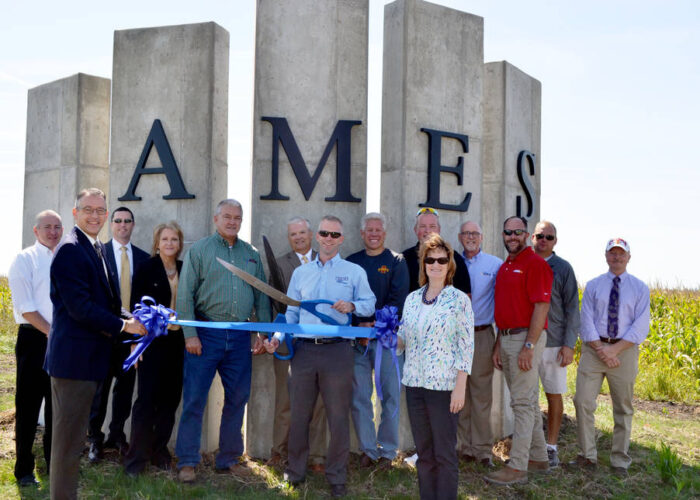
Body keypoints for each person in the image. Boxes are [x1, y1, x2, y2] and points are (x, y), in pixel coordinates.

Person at [44, 188, 146, 500]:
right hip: (73, 365)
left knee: (73, 443)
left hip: (89, 363)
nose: (95, 215)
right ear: (75, 213)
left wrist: (139, 320)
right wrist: (125, 325)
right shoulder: (71, 250)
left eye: (100, 210)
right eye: (88, 209)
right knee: (67, 446)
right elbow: (81, 309)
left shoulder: (96, 249)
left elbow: (110, 303)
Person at [264, 215, 375, 498]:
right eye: (324, 233)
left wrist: (352, 305)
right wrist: (277, 338)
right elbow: (290, 312)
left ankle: (337, 477)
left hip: (338, 350)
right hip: (304, 351)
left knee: (338, 417)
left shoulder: (354, 272)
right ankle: (295, 473)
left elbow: (369, 303)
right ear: (317, 236)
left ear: (341, 239)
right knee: (299, 415)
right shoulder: (301, 274)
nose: (328, 239)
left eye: (334, 235)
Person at [175, 199, 271, 483]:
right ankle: (188, 461)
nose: (232, 221)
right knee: (194, 399)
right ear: (216, 219)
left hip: (241, 336)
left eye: (237, 217)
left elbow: (262, 296)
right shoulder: (200, 250)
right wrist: (190, 334)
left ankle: (228, 459)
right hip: (205, 333)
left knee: (238, 398)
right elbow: (184, 295)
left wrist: (262, 333)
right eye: (227, 217)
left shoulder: (251, 254)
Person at [398, 233, 473, 500]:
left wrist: (460, 388)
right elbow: (403, 340)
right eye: (431, 259)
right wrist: (389, 337)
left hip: (444, 388)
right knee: (425, 453)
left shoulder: (459, 300)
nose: (436, 264)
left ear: (449, 264)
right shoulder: (411, 300)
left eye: (442, 259)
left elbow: (466, 346)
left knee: (444, 454)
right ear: (424, 263)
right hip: (415, 386)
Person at [571, 238, 649, 476]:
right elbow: (586, 320)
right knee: (582, 401)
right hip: (594, 351)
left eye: (621, 254)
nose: (616, 258)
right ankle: (587, 456)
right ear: (606, 256)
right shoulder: (594, 285)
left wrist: (614, 351)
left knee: (623, 408)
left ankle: (619, 461)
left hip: (623, 353)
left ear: (628, 257)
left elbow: (640, 326)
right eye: (612, 254)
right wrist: (601, 349)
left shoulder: (639, 288)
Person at [485, 216, 553, 486]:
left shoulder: (535, 264)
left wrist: (529, 346)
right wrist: (499, 344)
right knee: (527, 402)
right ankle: (538, 459)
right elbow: (505, 310)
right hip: (507, 338)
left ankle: (517, 467)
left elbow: (541, 307)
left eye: (517, 232)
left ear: (526, 235)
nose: (512, 236)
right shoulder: (506, 266)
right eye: (507, 232)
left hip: (527, 338)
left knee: (522, 404)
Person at [346, 212, 409, 468]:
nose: (373, 234)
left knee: (391, 397)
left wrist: (376, 325)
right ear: (362, 234)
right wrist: (358, 326)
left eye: (378, 230)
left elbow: (399, 299)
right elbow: (346, 299)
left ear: (384, 233)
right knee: (360, 397)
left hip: (388, 340)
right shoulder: (351, 262)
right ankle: (369, 450)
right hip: (357, 342)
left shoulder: (396, 261)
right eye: (369, 230)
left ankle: (388, 451)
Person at [88, 206, 149, 461]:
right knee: (99, 391)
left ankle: (117, 436)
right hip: (104, 334)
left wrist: (140, 336)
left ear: (133, 225)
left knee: (124, 390)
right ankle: (94, 439)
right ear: (111, 224)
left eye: (127, 221)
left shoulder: (144, 258)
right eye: (118, 221)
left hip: (131, 337)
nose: (123, 225)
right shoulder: (96, 254)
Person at [124, 221, 185, 475]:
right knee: (146, 401)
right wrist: (135, 345)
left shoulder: (185, 268)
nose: (170, 243)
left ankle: (159, 451)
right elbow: (136, 308)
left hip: (178, 343)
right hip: (152, 342)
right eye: (165, 239)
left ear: (180, 244)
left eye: (174, 239)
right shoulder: (146, 268)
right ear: (157, 243)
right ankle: (136, 459)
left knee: (170, 401)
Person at [8, 210, 63, 487]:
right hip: (34, 340)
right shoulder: (24, 259)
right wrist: (54, 334)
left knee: (57, 407)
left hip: (63, 342)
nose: (53, 232)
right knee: (29, 407)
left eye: (57, 227)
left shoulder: (66, 257)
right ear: (36, 230)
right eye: (47, 227)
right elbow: (25, 307)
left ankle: (54, 467)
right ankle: (24, 470)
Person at [268, 216, 327, 472]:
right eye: (293, 235)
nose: (298, 238)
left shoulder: (328, 261)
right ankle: (279, 453)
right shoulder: (280, 264)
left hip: (321, 343)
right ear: (289, 238)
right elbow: (273, 305)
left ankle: (316, 457)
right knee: (285, 401)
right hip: (286, 341)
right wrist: (275, 335)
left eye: (302, 233)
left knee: (319, 402)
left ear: (311, 234)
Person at [531, 220, 580, 467]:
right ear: (532, 237)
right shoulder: (524, 262)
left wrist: (569, 344)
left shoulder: (564, 269)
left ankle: (551, 447)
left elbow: (573, 307)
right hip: (526, 341)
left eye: (549, 237)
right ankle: (531, 446)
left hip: (554, 343)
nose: (544, 240)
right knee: (526, 398)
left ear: (555, 241)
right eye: (540, 235)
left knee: (553, 396)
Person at [455, 221, 502, 467]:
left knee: (482, 394)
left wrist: (499, 342)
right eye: (466, 233)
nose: (471, 237)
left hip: (483, 334)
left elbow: (503, 302)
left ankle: (483, 450)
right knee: (460, 393)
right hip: (455, 337)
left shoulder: (495, 265)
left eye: (475, 233)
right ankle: (464, 447)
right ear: (460, 237)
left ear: (482, 237)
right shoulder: (451, 262)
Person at [402, 207, 471, 296]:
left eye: (432, 226)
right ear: (415, 230)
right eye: (422, 226)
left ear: (439, 230)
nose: (428, 231)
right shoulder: (404, 259)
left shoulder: (453, 257)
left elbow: (466, 295)